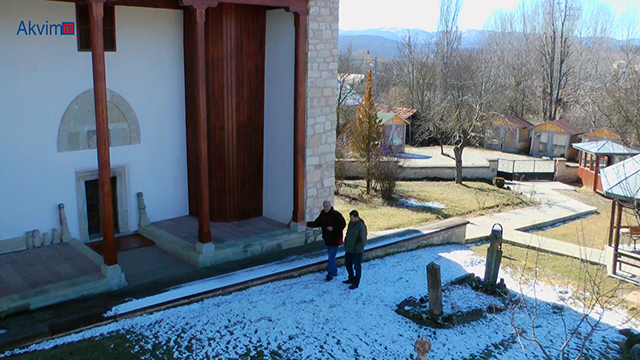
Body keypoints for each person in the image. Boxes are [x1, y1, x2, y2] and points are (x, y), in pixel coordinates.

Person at [307, 200, 346, 281]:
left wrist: (333, 228)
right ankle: (334, 271)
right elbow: (317, 223)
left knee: (331, 257)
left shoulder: (336, 215)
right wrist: (307, 224)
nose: (326, 208)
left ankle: (330, 274)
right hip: (328, 239)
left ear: (330, 206)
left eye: (327, 206)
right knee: (331, 257)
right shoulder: (323, 215)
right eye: (324, 207)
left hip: (335, 239)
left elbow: (343, 224)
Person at [343, 210, 367, 290]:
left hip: (357, 251)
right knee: (347, 264)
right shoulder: (351, 224)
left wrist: (357, 247)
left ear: (356, 217)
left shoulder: (361, 226)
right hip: (349, 249)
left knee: (357, 267)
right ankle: (351, 278)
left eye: (352, 218)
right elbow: (348, 233)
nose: (351, 219)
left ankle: (356, 282)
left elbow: (363, 240)